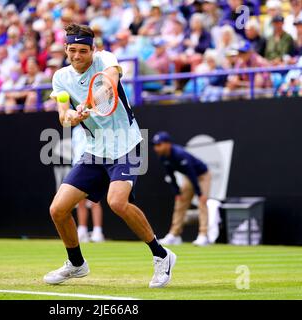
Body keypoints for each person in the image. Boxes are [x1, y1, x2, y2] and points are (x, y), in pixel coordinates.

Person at [45, 23, 176, 288]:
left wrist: (91, 103)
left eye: (84, 50)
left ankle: (162, 256)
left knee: (117, 202)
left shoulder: (106, 59)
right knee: (58, 209)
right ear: (66, 49)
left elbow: (109, 84)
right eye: (73, 50)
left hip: (126, 145)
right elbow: (63, 116)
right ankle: (76, 264)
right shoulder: (60, 77)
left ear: (93, 49)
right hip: (94, 151)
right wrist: (72, 114)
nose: (78, 55)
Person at [151, 131, 211, 247]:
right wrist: (177, 191)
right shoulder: (163, 157)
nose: (156, 148)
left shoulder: (179, 154)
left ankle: (203, 236)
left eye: (159, 145)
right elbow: (171, 175)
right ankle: (174, 235)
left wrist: (200, 193)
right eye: (155, 145)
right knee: (180, 203)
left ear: (168, 144)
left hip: (202, 176)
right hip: (189, 177)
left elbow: (192, 173)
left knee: (202, 203)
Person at [72, 124, 105, 243]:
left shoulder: (94, 125)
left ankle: (97, 232)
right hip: (78, 166)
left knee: (94, 201)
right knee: (80, 201)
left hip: (93, 166)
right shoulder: (75, 130)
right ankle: (82, 230)